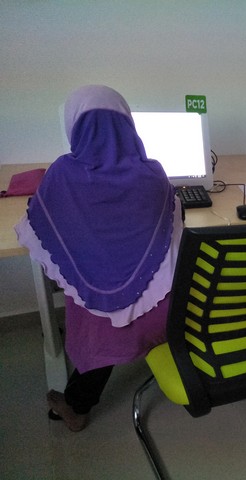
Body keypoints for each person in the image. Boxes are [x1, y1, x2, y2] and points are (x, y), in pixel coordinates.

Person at [14, 85, 183, 431]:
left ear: (74, 126)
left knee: (97, 308)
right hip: (166, 316)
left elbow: (35, 225)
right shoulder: (154, 173)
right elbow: (174, 224)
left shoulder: (63, 175)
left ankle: (76, 407)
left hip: (103, 327)